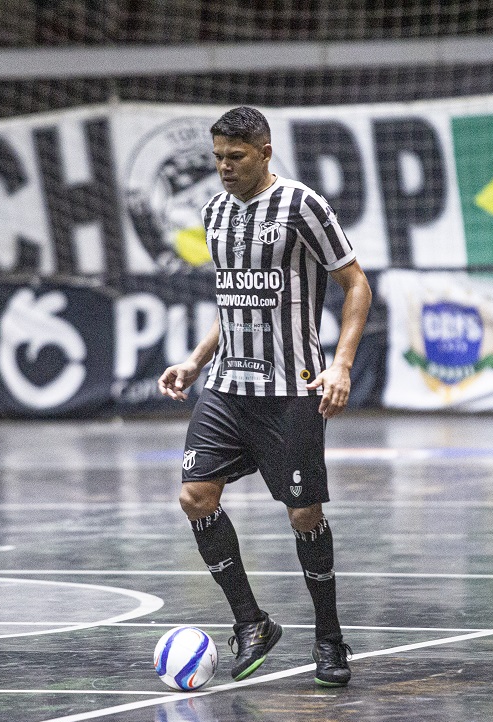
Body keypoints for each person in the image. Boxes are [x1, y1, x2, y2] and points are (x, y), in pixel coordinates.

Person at [158, 106, 372, 686]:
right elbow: (233, 304)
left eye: (236, 158)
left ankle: (330, 639)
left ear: (265, 152)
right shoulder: (214, 213)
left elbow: (357, 284)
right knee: (196, 497)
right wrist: (195, 361)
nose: (224, 168)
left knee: (304, 514)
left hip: (290, 392)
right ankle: (251, 622)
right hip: (228, 388)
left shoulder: (302, 205)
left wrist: (342, 366)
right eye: (218, 158)